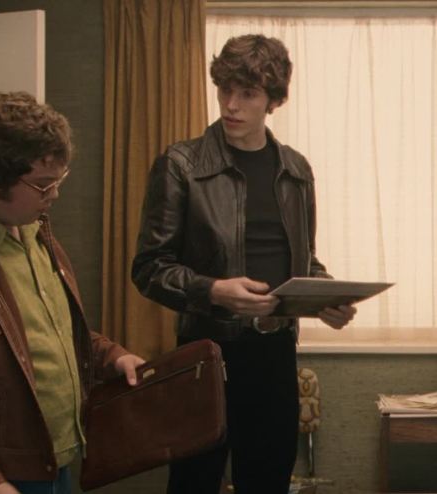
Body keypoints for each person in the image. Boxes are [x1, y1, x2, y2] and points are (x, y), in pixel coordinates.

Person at [132, 34, 357, 494]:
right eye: (224, 90)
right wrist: (214, 291)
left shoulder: (296, 170)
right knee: (193, 484)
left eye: (248, 94)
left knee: (268, 483)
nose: (231, 105)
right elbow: (149, 268)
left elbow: (304, 260)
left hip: (275, 355)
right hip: (207, 355)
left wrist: (326, 296)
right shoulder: (181, 164)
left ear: (274, 100)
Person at [0, 92, 145, 494]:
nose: (54, 195)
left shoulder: (35, 230)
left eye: (58, 181)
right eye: (42, 185)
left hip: (53, 461)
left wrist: (112, 356)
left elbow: (48, 332)